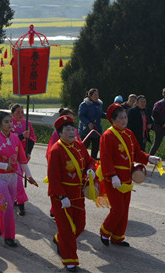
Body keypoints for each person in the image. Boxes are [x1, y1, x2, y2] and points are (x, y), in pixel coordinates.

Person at [99, 103, 160, 247]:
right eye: (120, 118)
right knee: (118, 209)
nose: (124, 120)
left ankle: (118, 237)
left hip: (127, 178)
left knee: (124, 209)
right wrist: (112, 176)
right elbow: (106, 158)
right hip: (114, 178)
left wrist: (148, 158)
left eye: (125, 117)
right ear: (112, 120)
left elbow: (137, 153)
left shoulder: (129, 133)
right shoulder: (108, 135)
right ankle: (104, 232)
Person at [47, 114, 95, 271]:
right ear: (60, 133)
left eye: (72, 128)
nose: (72, 132)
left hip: (78, 194)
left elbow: (89, 161)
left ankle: (58, 238)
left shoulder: (79, 145)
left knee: (80, 226)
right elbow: (53, 178)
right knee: (67, 230)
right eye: (67, 129)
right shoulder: (56, 150)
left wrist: (91, 169)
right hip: (62, 197)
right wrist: (62, 196)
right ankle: (70, 260)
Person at [0, 111, 37, 248]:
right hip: (0, 179)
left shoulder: (15, 139)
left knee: (5, 206)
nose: (10, 124)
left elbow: (22, 160)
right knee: (9, 208)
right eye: (6, 122)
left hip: (13, 177)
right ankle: (8, 236)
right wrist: (5, 165)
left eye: (10, 121)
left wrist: (30, 176)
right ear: (0, 125)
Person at [46, 108, 79, 218]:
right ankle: (54, 210)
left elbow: (78, 145)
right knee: (58, 188)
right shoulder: (57, 134)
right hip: (62, 165)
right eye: (69, 118)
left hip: (72, 165)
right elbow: (52, 151)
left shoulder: (75, 131)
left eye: (72, 119)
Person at [11, 103, 36, 216]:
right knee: (14, 179)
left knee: (19, 179)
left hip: (23, 156)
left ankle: (21, 203)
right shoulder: (10, 123)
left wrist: (28, 152)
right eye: (18, 112)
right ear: (12, 114)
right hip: (12, 155)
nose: (21, 114)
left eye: (22, 112)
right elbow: (9, 139)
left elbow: (32, 139)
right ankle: (13, 199)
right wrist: (21, 136)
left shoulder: (27, 124)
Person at [78, 88, 103, 160]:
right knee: (85, 146)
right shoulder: (84, 104)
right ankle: (81, 160)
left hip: (96, 129)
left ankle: (93, 162)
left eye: (97, 95)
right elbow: (81, 115)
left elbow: (101, 114)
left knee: (95, 147)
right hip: (86, 130)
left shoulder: (99, 104)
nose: (97, 96)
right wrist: (88, 122)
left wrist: (110, 116)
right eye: (95, 95)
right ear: (90, 96)